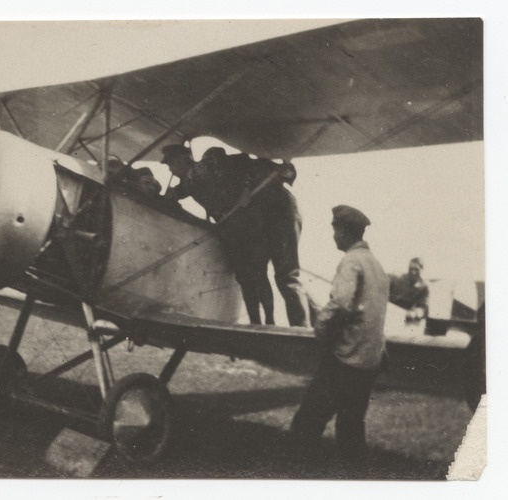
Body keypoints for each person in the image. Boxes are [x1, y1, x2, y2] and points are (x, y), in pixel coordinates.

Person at [161, 144, 309, 326]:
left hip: (263, 219)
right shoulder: (188, 182)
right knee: (248, 276)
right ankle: (257, 322)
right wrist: (171, 195)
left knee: (276, 274)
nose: (169, 168)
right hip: (241, 227)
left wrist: (246, 190)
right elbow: (180, 191)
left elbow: (245, 163)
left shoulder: (208, 165)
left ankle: (285, 323)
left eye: (171, 163)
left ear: (184, 159)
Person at [290, 205, 389, 462]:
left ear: (344, 232)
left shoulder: (351, 261)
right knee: (351, 428)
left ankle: (296, 476)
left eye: (335, 230)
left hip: (346, 360)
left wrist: (320, 329)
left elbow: (340, 304)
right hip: (369, 362)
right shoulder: (376, 265)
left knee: (306, 422)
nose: (334, 236)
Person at [389, 257, 430, 321]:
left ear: (422, 270)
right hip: (389, 310)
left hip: (403, 316)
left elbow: (424, 307)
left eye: (416, 269)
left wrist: (417, 313)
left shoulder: (424, 286)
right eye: (411, 269)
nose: (413, 272)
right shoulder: (397, 278)